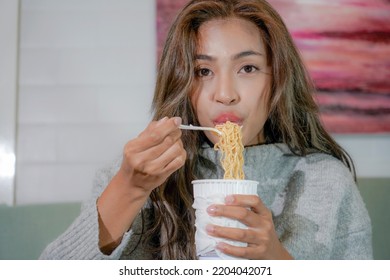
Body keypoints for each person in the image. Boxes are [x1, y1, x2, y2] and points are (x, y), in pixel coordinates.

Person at [40, 0, 372, 260]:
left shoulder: (324, 182)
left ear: (278, 79)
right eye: (202, 71)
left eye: (247, 68)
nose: (225, 93)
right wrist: (129, 189)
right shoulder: (137, 175)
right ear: (181, 83)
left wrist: (277, 263)